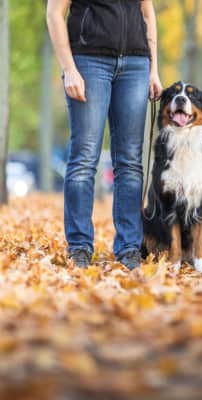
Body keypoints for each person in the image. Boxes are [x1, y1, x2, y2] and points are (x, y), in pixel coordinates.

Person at [47, 0, 163, 269]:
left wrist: (153, 68)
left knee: (131, 162)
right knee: (85, 157)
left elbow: (147, 12)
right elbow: (54, 12)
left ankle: (129, 247)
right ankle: (79, 247)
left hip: (136, 64)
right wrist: (69, 69)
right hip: (89, 62)